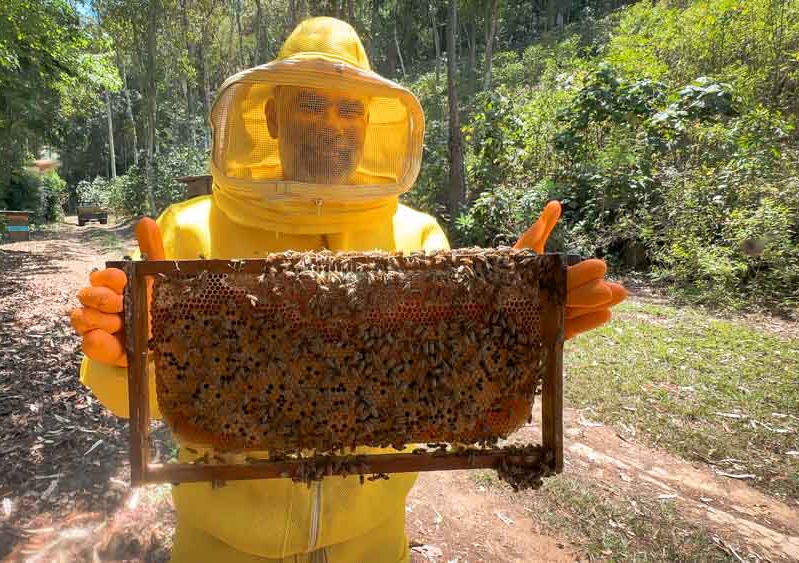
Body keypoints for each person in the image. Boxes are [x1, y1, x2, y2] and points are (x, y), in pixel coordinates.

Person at [70, 17, 625, 562]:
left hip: (373, 542)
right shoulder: (187, 230)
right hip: (222, 544)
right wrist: (122, 361)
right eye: (309, 104)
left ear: (369, 122)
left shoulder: (418, 233)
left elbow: (448, 386)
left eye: (348, 107)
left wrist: (509, 321)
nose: (332, 123)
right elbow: (135, 401)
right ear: (271, 115)